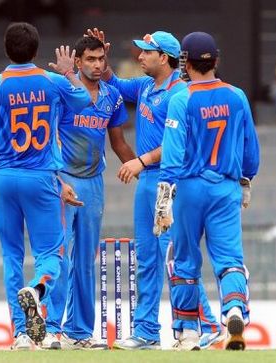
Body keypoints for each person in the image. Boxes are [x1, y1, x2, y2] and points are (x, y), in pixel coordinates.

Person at [0, 22, 91, 350]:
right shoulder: (52, 81)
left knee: (11, 255)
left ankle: (21, 333)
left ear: (5, 49)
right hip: (41, 177)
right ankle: (39, 292)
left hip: (3, 178)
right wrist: (71, 73)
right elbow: (84, 100)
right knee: (51, 252)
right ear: (35, 50)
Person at [88, 28, 222, 349]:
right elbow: (116, 85)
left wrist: (141, 161)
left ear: (164, 57)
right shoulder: (148, 85)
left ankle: (206, 322)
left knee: (172, 258)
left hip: (170, 182)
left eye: (147, 52)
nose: (140, 57)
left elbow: (177, 141)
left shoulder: (181, 93)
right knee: (147, 258)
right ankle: (147, 331)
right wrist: (102, 61)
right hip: (148, 183)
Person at [154, 31, 260, 351]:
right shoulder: (237, 96)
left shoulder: (181, 98)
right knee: (229, 259)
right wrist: (245, 180)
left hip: (189, 187)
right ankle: (234, 311)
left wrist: (164, 197)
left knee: (185, 259)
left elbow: (172, 153)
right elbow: (249, 148)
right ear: (215, 60)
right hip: (226, 188)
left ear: (185, 62)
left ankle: (187, 333)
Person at [42, 36, 135, 350]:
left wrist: (144, 169)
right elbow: (47, 137)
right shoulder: (63, 92)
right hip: (63, 181)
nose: (97, 65)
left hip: (93, 183)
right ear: (78, 62)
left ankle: (79, 332)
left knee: (84, 261)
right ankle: (52, 329)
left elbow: (119, 144)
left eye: (101, 59)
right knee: (59, 256)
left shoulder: (111, 96)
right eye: (90, 60)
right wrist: (56, 180)